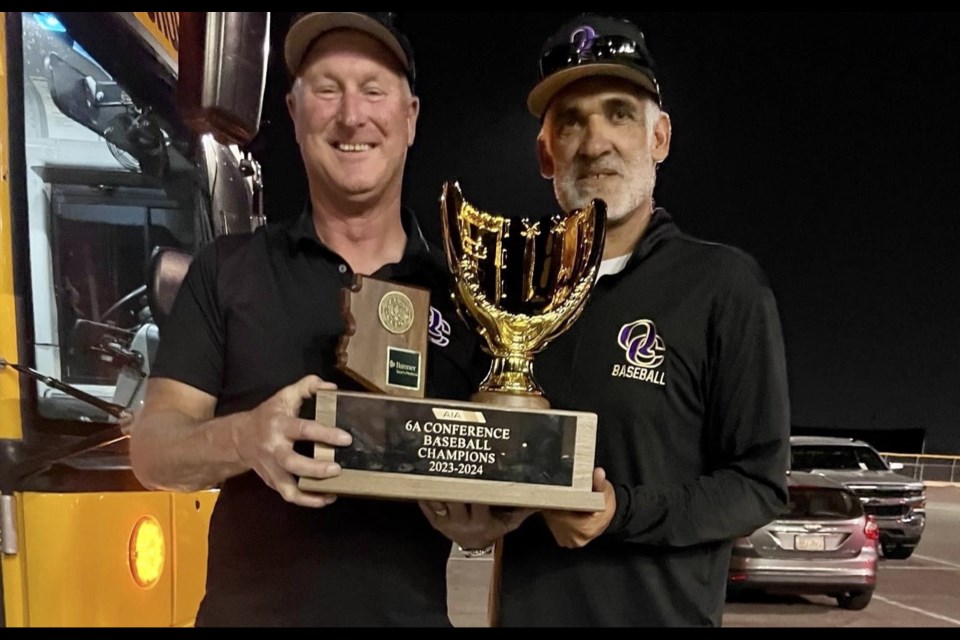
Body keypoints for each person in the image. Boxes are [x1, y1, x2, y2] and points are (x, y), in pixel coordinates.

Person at [423, 13, 791, 627]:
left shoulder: (723, 287)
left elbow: (758, 484)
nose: (596, 142)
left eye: (619, 113)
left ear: (660, 138)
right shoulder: (508, 290)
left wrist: (621, 510)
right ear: (546, 153)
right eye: (571, 121)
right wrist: (472, 512)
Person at [128, 12, 485, 627]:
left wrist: (484, 519)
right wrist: (244, 438)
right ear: (294, 115)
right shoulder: (227, 272)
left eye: (374, 89)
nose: (351, 116)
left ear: (410, 118)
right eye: (327, 88)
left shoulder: (467, 299)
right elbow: (152, 451)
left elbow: (495, 472)